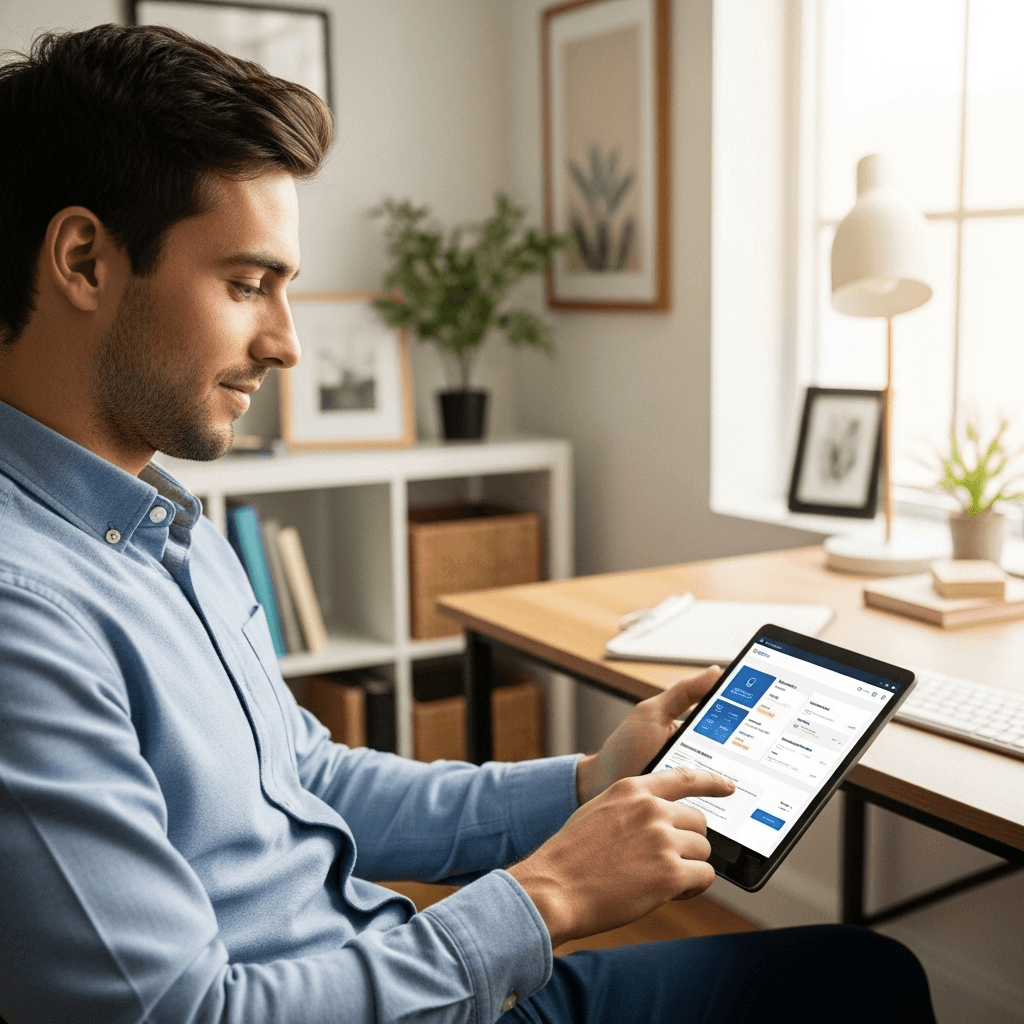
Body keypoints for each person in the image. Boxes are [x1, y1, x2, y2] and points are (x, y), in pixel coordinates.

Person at [0, 23, 935, 1024]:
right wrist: (554, 894)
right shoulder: (28, 618)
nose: (287, 344)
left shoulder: (164, 524)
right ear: (85, 260)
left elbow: (301, 777)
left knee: (856, 973)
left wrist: (583, 783)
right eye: (245, 284)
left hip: (396, 972)